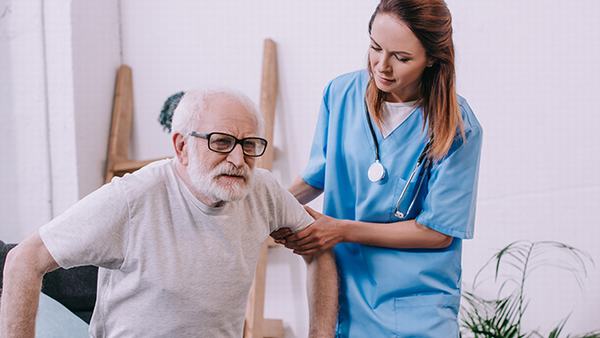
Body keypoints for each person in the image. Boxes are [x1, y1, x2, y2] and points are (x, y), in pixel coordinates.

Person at [0, 90, 337, 338]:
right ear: (181, 146)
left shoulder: (262, 189)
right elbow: (23, 260)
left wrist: (320, 334)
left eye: (249, 145)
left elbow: (321, 247)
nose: (238, 159)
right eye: (221, 142)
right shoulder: (132, 198)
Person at [273, 0, 483, 336]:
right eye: (375, 47)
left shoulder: (456, 125)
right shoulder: (340, 94)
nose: (381, 66)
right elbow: (316, 176)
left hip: (419, 307)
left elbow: (438, 232)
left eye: (401, 58)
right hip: (348, 295)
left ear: (432, 59)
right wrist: (261, 204)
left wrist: (342, 229)